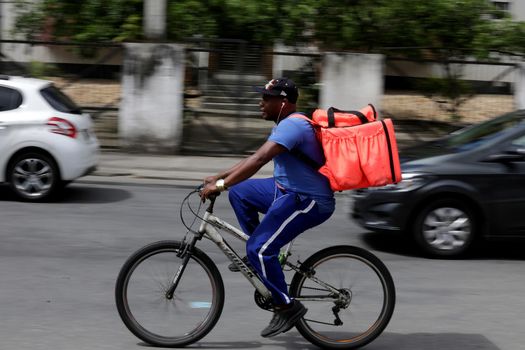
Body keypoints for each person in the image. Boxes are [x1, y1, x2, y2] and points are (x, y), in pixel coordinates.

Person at [200, 77, 335, 338]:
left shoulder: (293, 126)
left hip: (309, 200)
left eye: (266, 98)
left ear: (283, 102)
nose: (260, 102)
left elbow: (260, 159)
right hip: (284, 190)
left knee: (260, 249)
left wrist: (220, 185)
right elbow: (254, 157)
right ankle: (262, 258)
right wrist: (220, 177)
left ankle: (286, 306)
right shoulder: (285, 124)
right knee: (240, 193)